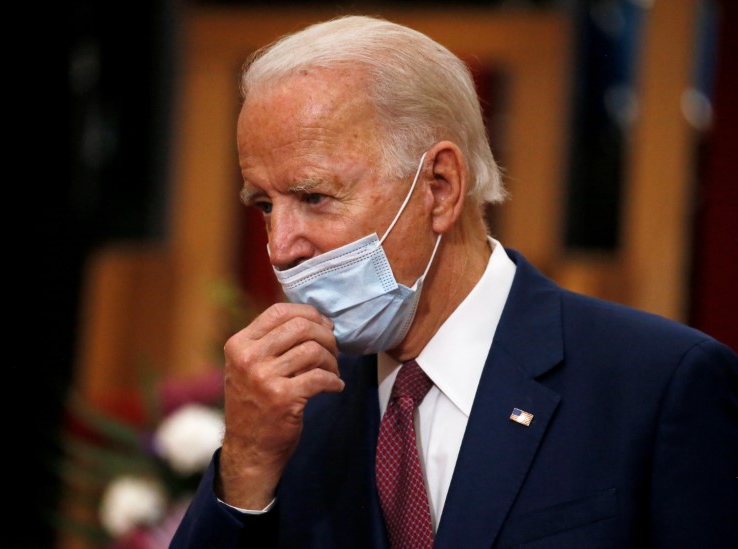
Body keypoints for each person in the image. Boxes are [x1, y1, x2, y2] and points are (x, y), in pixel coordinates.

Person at [171, 14, 737, 549]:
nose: (280, 246)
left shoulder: (657, 384)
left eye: (314, 197)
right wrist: (244, 466)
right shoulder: (293, 409)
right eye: (265, 205)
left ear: (439, 187)